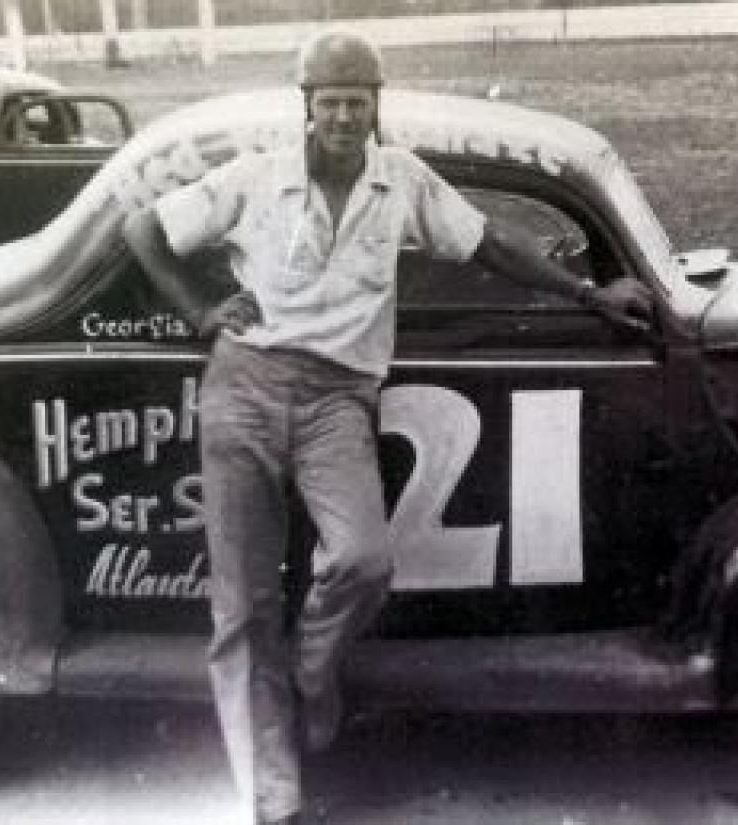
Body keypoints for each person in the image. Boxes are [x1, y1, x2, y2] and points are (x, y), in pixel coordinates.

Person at [123, 28, 653, 825]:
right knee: (241, 605)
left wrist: (586, 294)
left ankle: (310, 673)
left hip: (338, 396)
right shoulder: (259, 176)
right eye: (329, 102)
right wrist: (199, 310)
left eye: (357, 102)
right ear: (307, 106)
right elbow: (143, 229)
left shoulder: (400, 179)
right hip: (244, 389)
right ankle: (272, 794)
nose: (343, 116)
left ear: (375, 106)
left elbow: (490, 242)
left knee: (363, 560)